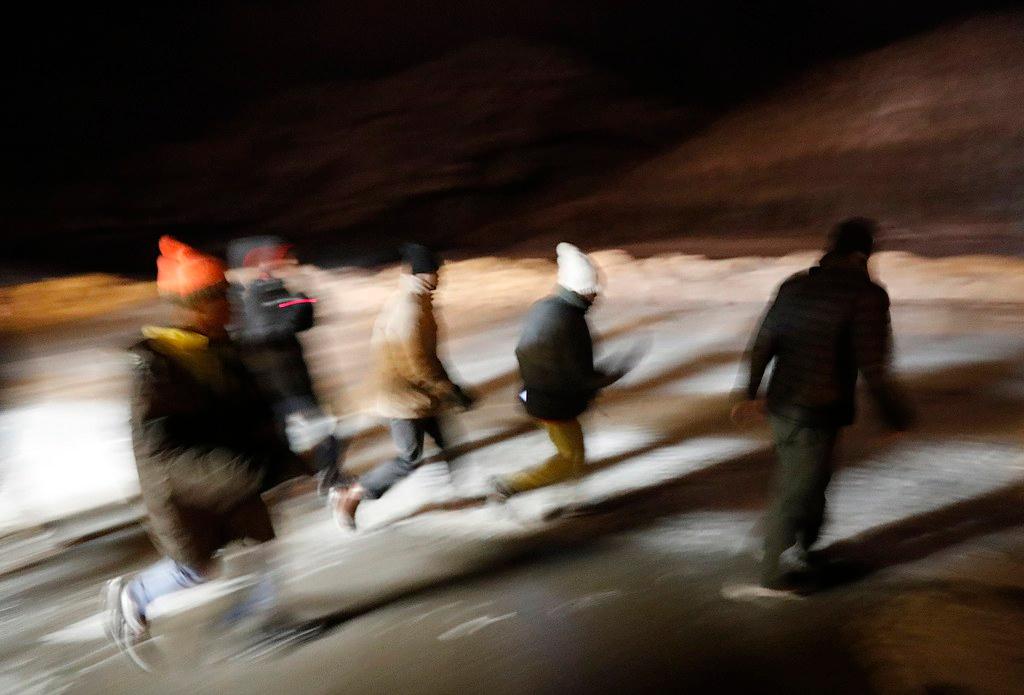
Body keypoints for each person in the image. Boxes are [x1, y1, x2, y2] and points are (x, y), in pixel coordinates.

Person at [103, 236, 308, 663]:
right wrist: (244, 471)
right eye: (222, 296)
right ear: (196, 305)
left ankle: (263, 621)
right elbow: (162, 453)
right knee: (194, 568)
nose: (233, 305)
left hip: (232, 473)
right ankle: (134, 594)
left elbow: (253, 411)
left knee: (262, 542)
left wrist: (285, 458)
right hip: (182, 488)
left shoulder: (222, 349)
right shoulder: (155, 366)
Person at [735, 217, 914, 591]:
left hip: (783, 403)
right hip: (816, 408)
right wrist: (896, 416)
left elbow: (764, 340)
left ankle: (801, 546)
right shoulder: (867, 296)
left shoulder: (795, 285)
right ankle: (772, 570)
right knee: (799, 486)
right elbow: (874, 366)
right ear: (864, 253)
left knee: (808, 481)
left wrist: (750, 391)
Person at [332, 244, 474, 528]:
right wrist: (447, 389)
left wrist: (448, 386)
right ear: (424, 274)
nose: (440, 278)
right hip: (400, 397)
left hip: (417, 393)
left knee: (448, 442)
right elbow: (417, 361)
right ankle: (352, 494)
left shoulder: (417, 301)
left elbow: (430, 355)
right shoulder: (410, 308)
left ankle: (456, 497)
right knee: (410, 457)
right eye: (436, 272)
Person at [491, 243, 633, 499]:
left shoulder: (546, 307)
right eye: (594, 290)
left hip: (536, 397)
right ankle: (510, 485)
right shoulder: (569, 320)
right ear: (582, 289)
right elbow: (576, 375)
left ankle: (573, 498)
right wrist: (612, 374)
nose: (597, 296)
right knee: (570, 458)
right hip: (553, 404)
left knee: (573, 453)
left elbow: (527, 353)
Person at [227, 236, 347, 495]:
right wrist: (302, 296)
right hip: (281, 385)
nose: (282, 264)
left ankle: (313, 479)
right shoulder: (255, 296)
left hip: (287, 381)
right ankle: (323, 480)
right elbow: (288, 323)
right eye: (276, 259)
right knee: (321, 433)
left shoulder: (268, 292)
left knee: (298, 437)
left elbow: (304, 319)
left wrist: (301, 296)